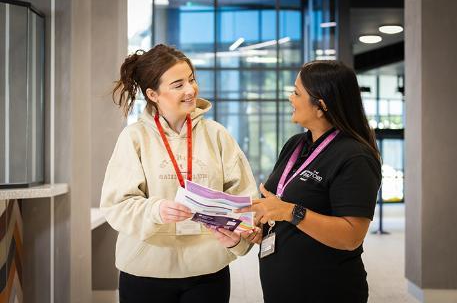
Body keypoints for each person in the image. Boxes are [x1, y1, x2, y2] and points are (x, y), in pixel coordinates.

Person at [100, 44, 258, 303]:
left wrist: (238, 238)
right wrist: (156, 210)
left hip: (208, 269)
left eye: (192, 80)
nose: (190, 90)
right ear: (153, 94)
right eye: (178, 84)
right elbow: (117, 204)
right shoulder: (134, 137)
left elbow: (244, 197)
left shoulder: (217, 134)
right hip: (146, 271)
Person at [238, 60, 382, 303]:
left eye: (296, 92)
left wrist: (290, 211)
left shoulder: (355, 156)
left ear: (320, 106)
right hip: (281, 289)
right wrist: (260, 228)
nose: (290, 98)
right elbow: (281, 207)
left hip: (328, 290)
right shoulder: (296, 144)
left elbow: (351, 236)